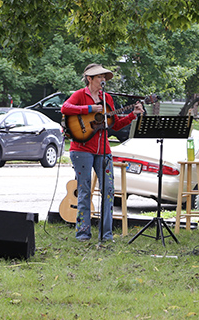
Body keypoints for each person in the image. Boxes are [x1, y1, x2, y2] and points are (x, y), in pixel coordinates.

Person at [61, 63, 144, 242]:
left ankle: (106, 235)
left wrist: (133, 115)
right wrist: (90, 109)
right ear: (89, 79)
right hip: (81, 149)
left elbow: (114, 124)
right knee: (84, 191)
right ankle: (83, 234)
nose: (103, 80)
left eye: (104, 77)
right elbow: (65, 108)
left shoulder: (107, 99)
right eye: (99, 77)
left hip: (104, 150)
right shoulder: (79, 95)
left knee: (108, 191)